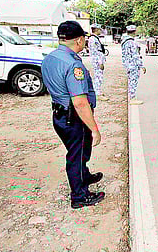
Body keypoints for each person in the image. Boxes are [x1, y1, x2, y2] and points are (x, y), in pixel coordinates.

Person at [41, 21, 105, 209]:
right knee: (76, 156)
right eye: (84, 38)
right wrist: (95, 129)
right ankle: (79, 196)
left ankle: (84, 177)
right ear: (78, 40)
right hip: (74, 117)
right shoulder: (72, 64)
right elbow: (79, 101)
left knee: (79, 152)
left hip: (60, 115)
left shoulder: (50, 58)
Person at [121, 25, 146, 105]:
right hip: (133, 64)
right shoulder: (131, 42)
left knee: (131, 80)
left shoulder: (125, 41)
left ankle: (131, 96)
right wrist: (142, 66)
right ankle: (132, 98)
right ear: (134, 32)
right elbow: (135, 55)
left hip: (128, 64)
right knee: (133, 81)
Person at [89, 24, 107, 99]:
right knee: (98, 76)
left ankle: (97, 91)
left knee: (99, 76)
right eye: (99, 29)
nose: (100, 31)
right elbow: (95, 52)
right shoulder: (93, 39)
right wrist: (100, 62)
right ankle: (97, 93)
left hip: (98, 60)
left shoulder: (95, 38)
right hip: (97, 61)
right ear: (96, 30)